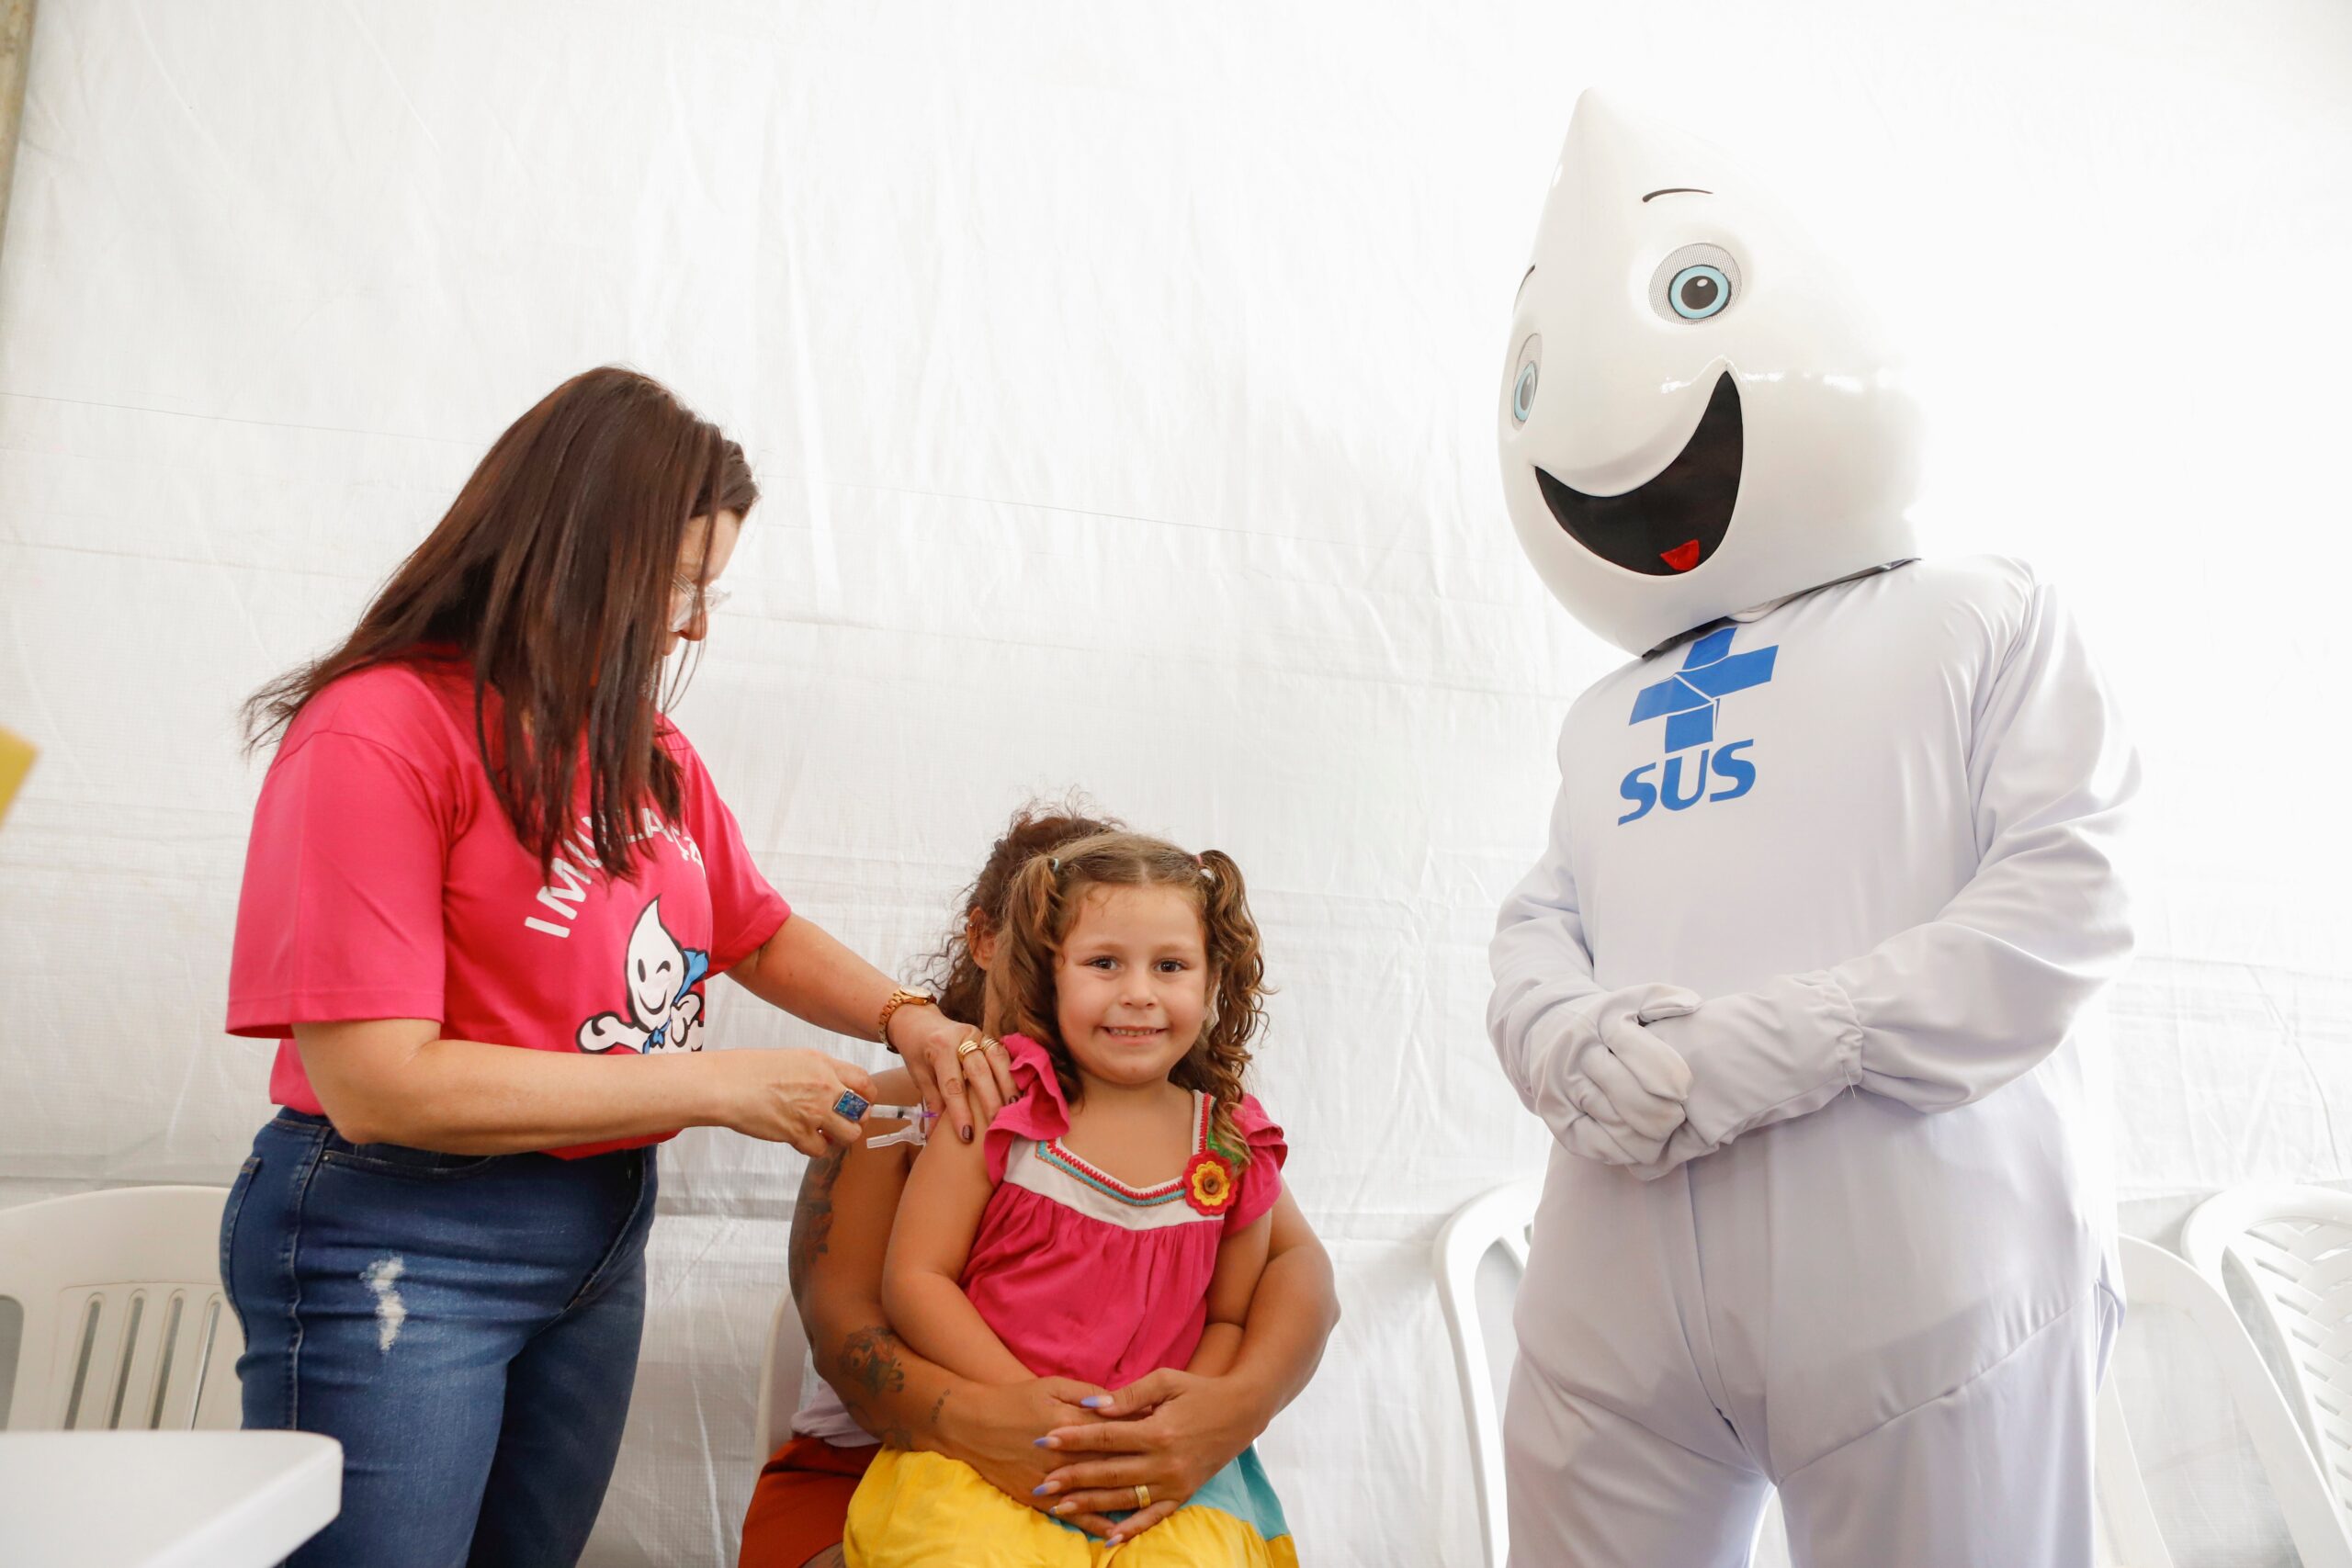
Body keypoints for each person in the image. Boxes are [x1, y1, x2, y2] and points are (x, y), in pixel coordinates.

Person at [1486, 95, 2137, 1566]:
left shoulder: (1982, 609)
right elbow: (1545, 913)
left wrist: (1809, 1031)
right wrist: (1559, 1030)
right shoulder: (1603, 714)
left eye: (1697, 294)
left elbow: (2065, 895)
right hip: (1609, 1289)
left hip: (1918, 1271)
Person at [219, 367, 984, 1568]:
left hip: (594, 1230)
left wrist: (911, 1015)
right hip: (400, 1229)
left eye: (708, 589)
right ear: (576, 550)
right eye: (681, 582)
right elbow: (379, 1082)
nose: (692, 625)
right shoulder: (378, 732)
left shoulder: (642, 746)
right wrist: (718, 1086)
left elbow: (753, 926)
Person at [741, 807, 1338, 1567]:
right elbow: (849, 1330)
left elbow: (1298, 1274)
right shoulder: (913, 1108)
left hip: (1131, 1468)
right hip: (895, 1459)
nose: (1134, 989)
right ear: (998, 940)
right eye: (1098, 956)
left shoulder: (1202, 1131)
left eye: (1166, 959)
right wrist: (1007, 1420)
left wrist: (1225, 1410)